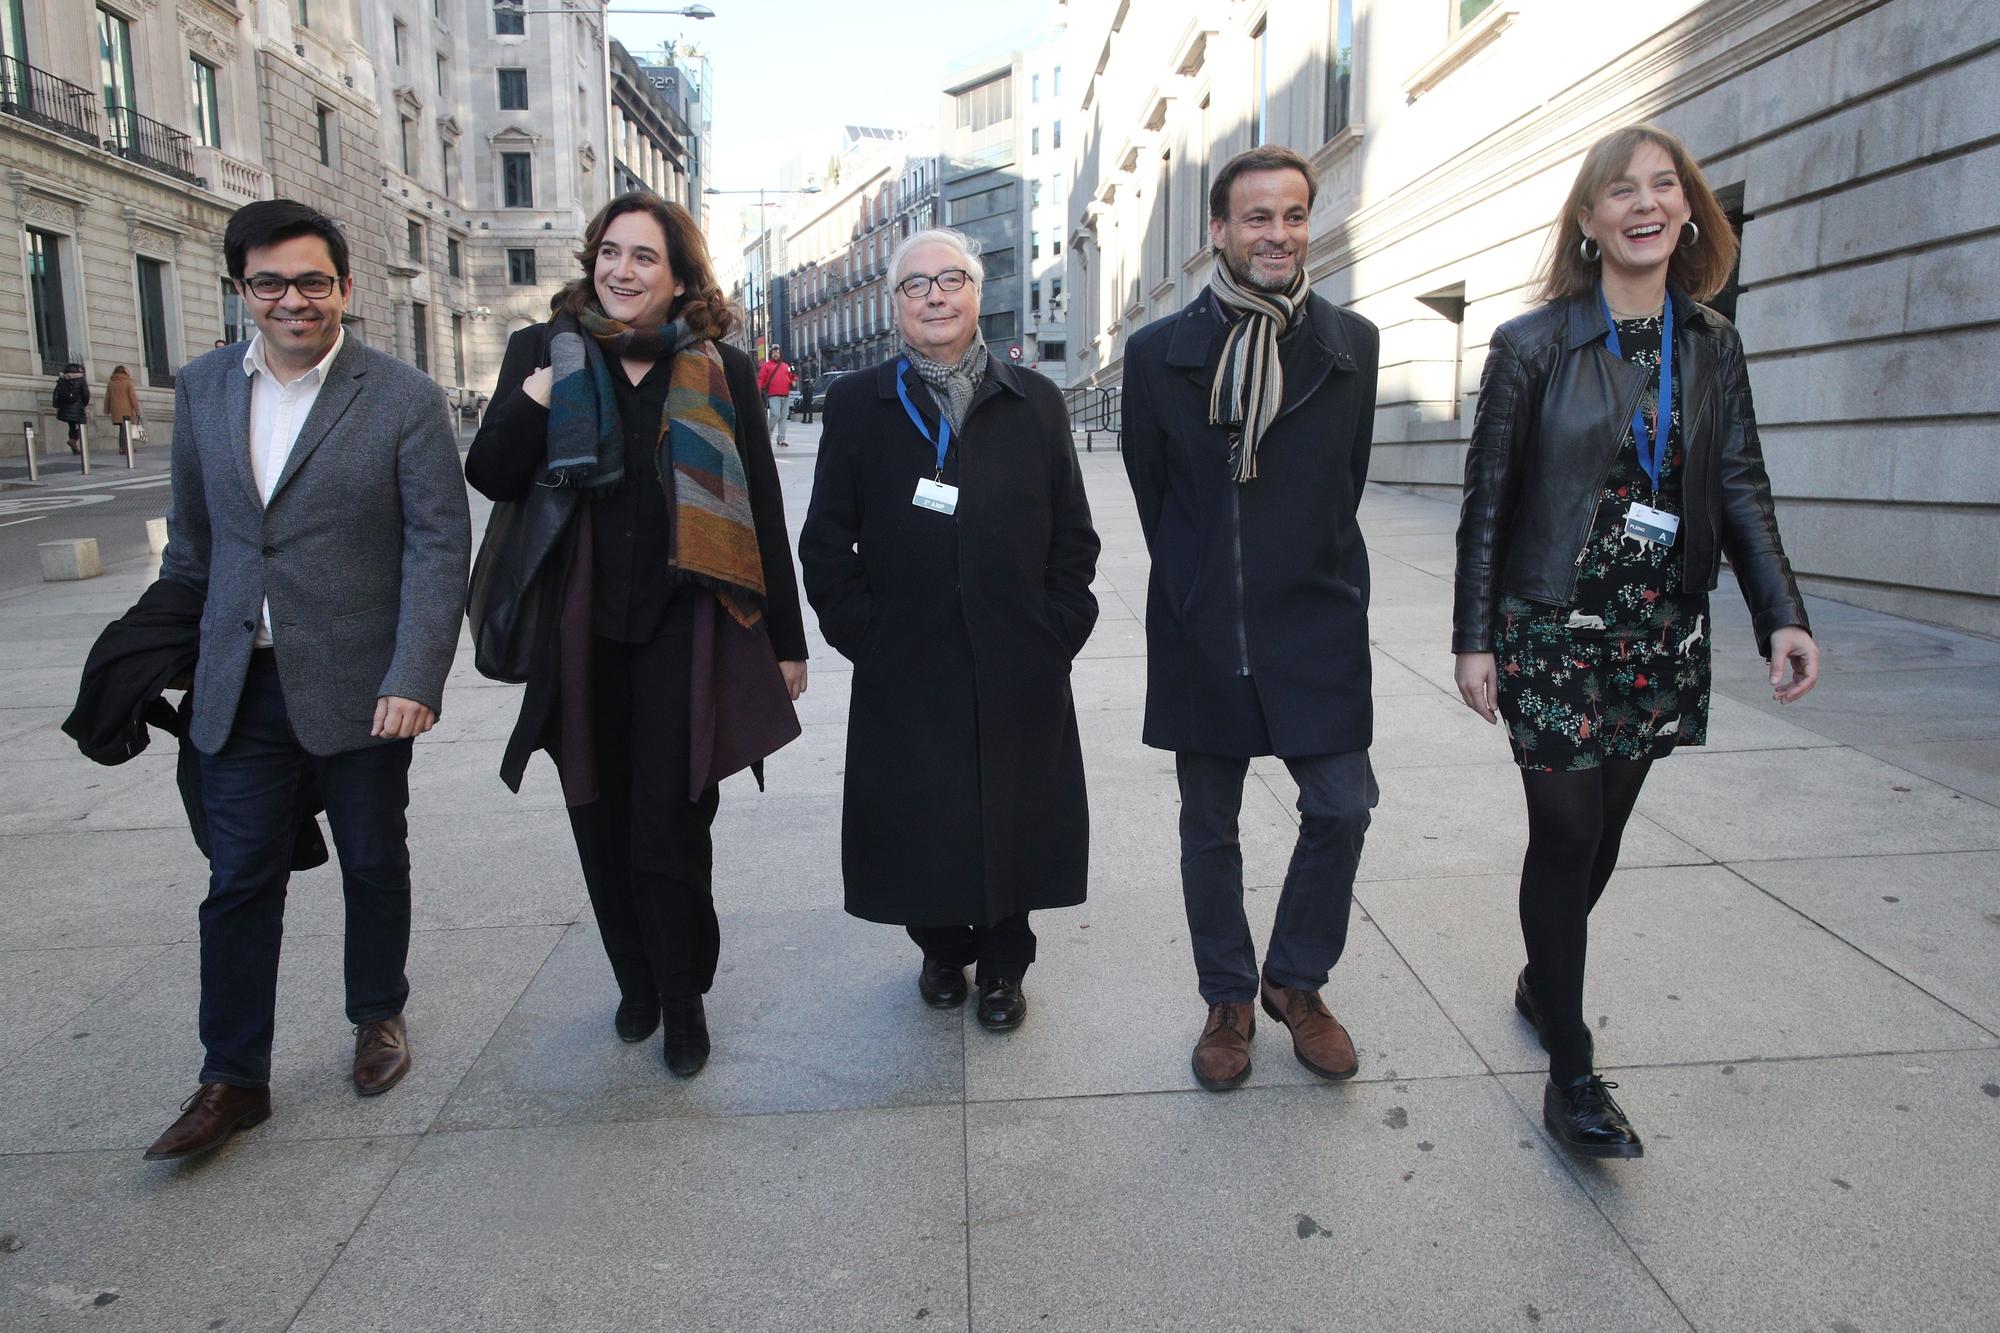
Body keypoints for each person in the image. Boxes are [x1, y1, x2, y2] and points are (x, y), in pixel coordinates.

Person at [1453, 124, 1821, 1160]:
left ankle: (1539, 976)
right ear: (1586, 220)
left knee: (1602, 836)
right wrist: (1471, 637)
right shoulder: (1531, 344)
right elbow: (1488, 499)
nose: (1644, 203)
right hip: (1547, 624)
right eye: (1619, 190)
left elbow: (1739, 483)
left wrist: (1778, 613)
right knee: (1564, 833)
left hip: (1658, 628)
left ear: (1690, 210)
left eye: (1664, 186)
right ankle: (1568, 1065)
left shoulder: (1711, 342)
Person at [144, 199, 471, 1161]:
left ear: (346, 288)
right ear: (242, 288)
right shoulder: (204, 387)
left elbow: (437, 546)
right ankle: (232, 1075)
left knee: (373, 859)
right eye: (271, 283)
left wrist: (417, 673)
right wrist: (149, 655)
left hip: (365, 684)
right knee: (238, 879)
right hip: (239, 685)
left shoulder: (401, 395)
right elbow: (194, 543)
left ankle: (377, 1013)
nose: (295, 300)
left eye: (314, 281)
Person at [465, 192, 808, 1078]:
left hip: (682, 626)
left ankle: (685, 994)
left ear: (681, 275)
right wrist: (536, 399)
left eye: (644, 258)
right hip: (578, 629)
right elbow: (492, 470)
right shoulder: (544, 352)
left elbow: (762, 507)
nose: (621, 271)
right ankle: (636, 980)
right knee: (596, 814)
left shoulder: (720, 368)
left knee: (674, 818)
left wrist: (785, 638)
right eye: (610, 253)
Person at [1121, 146, 1381, 1093]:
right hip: (1203, 626)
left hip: (1315, 624)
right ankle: (1227, 997)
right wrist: (1200, 585)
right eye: (1257, 217)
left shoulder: (1352, 345)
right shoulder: (1157, 358)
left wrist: (1322, 584)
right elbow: (1160, 502)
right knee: (1209, 825)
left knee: (1344, 805)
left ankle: (1294, 980)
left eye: (1294, 216)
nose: (1278, 234)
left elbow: (1341, 490)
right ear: (1220, 231)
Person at [799, 227, 1099, 1030]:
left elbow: (1073, 534)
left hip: (1018, 656)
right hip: (908, 660)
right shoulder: (860, 403)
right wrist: (868, 633)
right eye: (915, 284)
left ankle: (1003, 966)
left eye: (951, 279)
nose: (935, 295)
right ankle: (939, 945)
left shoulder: (1034, 400)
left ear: (976, 292)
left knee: (1015, 812)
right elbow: (826, 542)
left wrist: (1057, 627)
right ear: (897, 306)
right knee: (920, 813)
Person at [757, 345, 794, 446]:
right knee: (775, 414)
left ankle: (781, 439)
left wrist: (793, 380)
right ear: (771, 354)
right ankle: (765, 436)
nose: (775, 354)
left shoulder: (786, 366)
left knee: (783, 418)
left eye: (777, 353)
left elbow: (791, 377)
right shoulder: (766, 366)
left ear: (780, 354)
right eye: (773, 353)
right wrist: (757, 390)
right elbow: (760, 379)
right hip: (774, 395)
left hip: (785, 395)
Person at [53, 362, 90, 454]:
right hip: (78, 408)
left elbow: (58, 392)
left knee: (72, 426)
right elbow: (86, 394)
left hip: (65, 408)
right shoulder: (81, 379)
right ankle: (73, 441)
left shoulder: (63, 379)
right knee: (82, 424)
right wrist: (84, 404)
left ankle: (74, 448)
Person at [105, 365, 142, 445]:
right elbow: (133, 398)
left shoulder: (111, 383)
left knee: (122, 428)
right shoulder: (128, 382)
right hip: (126, 409)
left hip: (115, 409)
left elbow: (107, 397)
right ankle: (126, 447)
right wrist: (137, 411)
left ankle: (122, 446)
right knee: (126, 428)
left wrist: (106, 410)